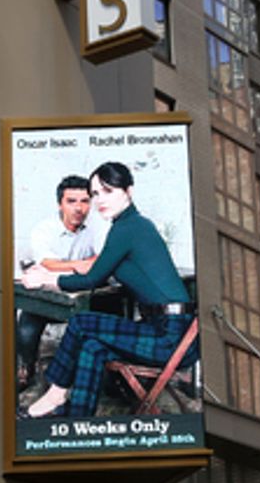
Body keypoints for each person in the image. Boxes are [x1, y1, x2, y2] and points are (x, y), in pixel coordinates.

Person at [20, 161, 196, 418]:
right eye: (95, 194)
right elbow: (96, 268)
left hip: (170, 337)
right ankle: (77, 416)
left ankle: (56, 394)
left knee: (81, 323)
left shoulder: (128, 228)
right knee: (92, 347)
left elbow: (91, 278)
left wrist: (46, 280)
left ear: (128, 191)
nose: (100, 200)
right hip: (163, 328)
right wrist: (48, 274)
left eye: (108, 191)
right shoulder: (130, 226)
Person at [15, 175, 99, 388]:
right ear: (60, 204)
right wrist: (82, 265)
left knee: (107, 310)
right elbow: (49, 263)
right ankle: (27, 367)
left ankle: (94, 376)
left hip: (78, 295)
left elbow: (103, 259)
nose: (79, 208)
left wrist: (78, 265)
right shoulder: (44, 229)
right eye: (71, 201)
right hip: (48, 294)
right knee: (28, 323)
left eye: (84, 201)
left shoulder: (95, 228)